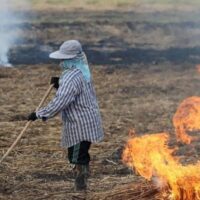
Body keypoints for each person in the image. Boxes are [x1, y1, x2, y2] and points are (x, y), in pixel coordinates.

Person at [28, 40, 104, 191]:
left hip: (79, 125)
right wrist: (59, 84)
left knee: (77, 157)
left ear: (71, 59)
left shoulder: (71, 76)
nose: (62, 61)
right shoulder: (82, 71)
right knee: (80, 153)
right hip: (88, 120)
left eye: (64, 58)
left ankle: (81, 187)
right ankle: (82, 183)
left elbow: (61, 101)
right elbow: (73, 93)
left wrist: (40, 114)